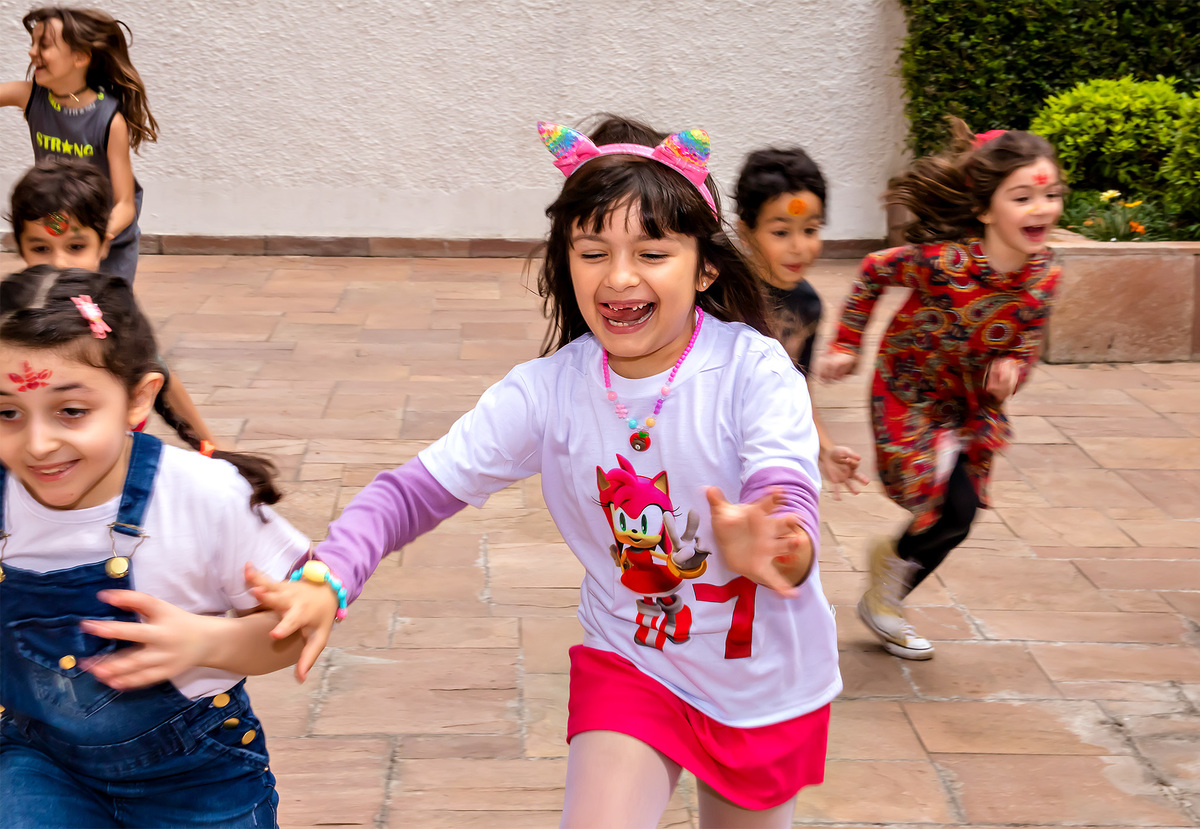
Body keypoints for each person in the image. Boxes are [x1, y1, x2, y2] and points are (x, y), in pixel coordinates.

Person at [249, 116, 841, 828]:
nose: (619, 277)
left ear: (704, 265)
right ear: (566, 260)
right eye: (592, 251)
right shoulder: (545, 392)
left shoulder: (752, 369)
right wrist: (329, 575)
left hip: (762, 677)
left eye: (652, 252)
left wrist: (777, 543)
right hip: (635, 659)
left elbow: (788, 493)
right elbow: (409, 492)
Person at [0, 265, 314, 827]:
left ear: (139, 399)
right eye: (7, 413)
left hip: (198, 779)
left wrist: (207, 641)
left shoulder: (203, 495)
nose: (39, 443)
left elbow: (295, 630)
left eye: (72, 411)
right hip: (42, 763)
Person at [819, 119, 1063, 660]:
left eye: (1051, 195)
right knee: (927, 494)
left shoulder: (1045, 276)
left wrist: (1013, 370)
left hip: (970, 403)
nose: (1041, 208)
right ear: (984, 210)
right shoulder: (946, 264)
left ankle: (888, 592)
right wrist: (846, 344)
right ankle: (898, 560)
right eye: (1023, 196)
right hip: (908, 390)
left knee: (961, 513)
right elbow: (874, 271)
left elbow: (1026, 344)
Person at [7, 157, 217, 444]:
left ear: (104, 245)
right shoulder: (12, 314)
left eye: (76, 247)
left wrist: (211, 448)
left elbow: (160, 374)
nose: (59, 262)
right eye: (41, 248)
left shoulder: (112, 311)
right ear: (20, 247)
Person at [734, 146, 868, 499]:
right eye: (781, 232)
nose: (799, 247)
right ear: (745, 232)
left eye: (810, 230)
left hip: (762, 452)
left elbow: (799, 387)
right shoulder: (721, 292)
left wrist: (824, 447)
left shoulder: (807, 307)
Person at [0, 6, 157, 281]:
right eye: (33, 43)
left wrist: (94, 239)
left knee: (103, 318)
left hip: (107, 240)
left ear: (80, 57)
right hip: (55, 233)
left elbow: (125, 204)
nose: (32, 52)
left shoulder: (109, 120)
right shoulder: (31, 97)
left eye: (44, 45)